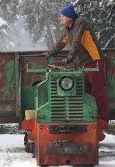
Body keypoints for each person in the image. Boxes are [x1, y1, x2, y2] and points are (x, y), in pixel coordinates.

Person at [46, 4, 109, 141]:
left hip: (93, 61)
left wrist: (69, 58)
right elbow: (61, 42)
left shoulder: (80, 23)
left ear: (69, 16)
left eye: (62, 16)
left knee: (97, 91)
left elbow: (76, 42)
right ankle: (88, 120)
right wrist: (49, 53)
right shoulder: (69, 28)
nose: (61, 18)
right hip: (82, 65)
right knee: (84, 93)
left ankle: (102, 120)